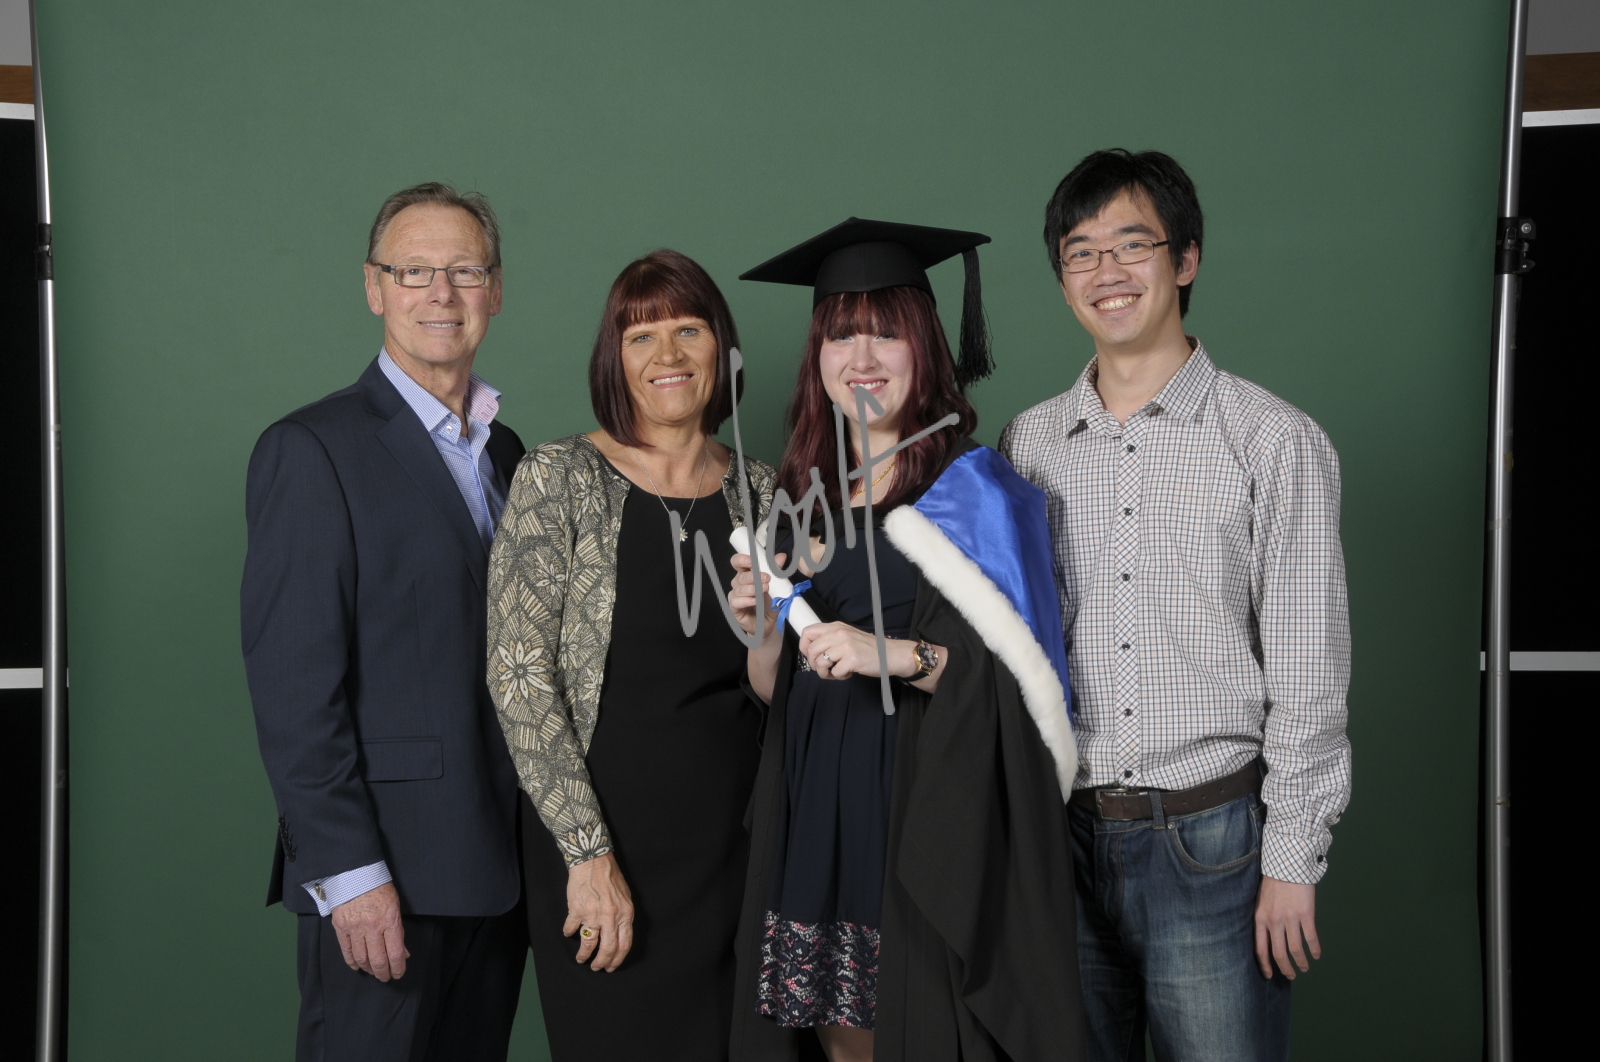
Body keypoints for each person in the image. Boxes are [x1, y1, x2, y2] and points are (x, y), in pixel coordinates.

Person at [999, 149, 1353, 1062]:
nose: (1106, 273)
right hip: (1063, 839)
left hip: (1213, 843)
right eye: (1080, 253)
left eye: (1132, 245)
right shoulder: (1030, 444)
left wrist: (1292, 860)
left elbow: (1309, 672)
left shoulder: (1272, 441)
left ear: (1185, 258)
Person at [728, 218, 1085, 1062]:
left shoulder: (974, 491)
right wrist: (761, 634)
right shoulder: (804, 498)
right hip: (817, 805)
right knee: (842, 1047)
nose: (862, 357)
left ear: (925, 348)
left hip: (916, 807)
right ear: (817, 356)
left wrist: (890, 655)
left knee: (918, 1034)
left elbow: (1028, 698)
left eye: (885, 333)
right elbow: (780, 692)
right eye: (841, 335)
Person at [242, 182, 528, 1061]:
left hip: (498, 872)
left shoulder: (508, 453)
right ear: (375, 287)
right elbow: (295, 690)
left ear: (495, 290)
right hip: (384, 881)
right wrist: (349, 875)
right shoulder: (312, 450)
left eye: (465, 270)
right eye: (414, 271)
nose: (442, 292)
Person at [486, 249, 777, 1061]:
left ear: (721, 346)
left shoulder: (763, 490)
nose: (667, 354)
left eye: (689, 330)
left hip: (740, 850)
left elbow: (781, 681)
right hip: (604, 848)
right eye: (641, 335)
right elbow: (518, 677)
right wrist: (586, 856)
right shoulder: (559, 477)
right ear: (613, 357)